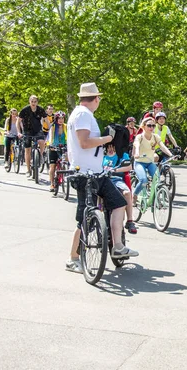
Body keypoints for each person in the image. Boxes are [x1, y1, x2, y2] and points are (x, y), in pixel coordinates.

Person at [65, 82, 137, 273]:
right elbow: (84, 142)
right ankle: (73, 258)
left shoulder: (84, 114)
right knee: (83, 217)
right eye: (99, 98)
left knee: (118, 202)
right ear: (96, 99)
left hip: (96, 172)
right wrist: (107, 139)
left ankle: (118, 246)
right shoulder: (82, 114)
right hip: (85, 174)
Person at [133, 117, 174, 198]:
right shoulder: (139, 137)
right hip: (139, 162)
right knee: (144, 181)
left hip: (150, 163)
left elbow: (162, 146)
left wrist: (170, 155)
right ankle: (134, 195)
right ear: (143, 126)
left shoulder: (155, 137)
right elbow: (136, 145)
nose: (151, 128)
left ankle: (155, 199)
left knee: (157, 180)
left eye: (153, 126)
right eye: (149, 125)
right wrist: (137, 153)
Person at [103, 142, 136, 234]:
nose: (111, 149)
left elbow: (129, 166)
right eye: (109, 147)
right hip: (104, 180)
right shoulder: (102, 156)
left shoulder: (122, 155)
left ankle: (130, 221)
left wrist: (114, 170)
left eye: (113, 147)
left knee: (127, 192)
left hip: (117, 180)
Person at [17, 95, 48, 178]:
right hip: (27, 130)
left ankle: (40, 156)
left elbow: (46, 119)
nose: (33, 103)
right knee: (27, 150)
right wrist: (19, 132)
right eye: (32, 101)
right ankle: (28, 169)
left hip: (37, 130)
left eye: (35, 102)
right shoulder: (24, 110)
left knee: (42, 141)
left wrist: (49, 128)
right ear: (29, 102)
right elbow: (18, 121)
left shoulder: (40, 109)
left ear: (37, 102)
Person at [47, 111, 67, 192]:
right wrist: (50, 145)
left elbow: (69, 137)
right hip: (53, 148)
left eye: (62, 118)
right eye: (59, 118)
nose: (61, 120)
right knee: (53, 166)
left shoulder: (66, 126)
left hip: (63, 147)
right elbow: (50, 137)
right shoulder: (53, 127)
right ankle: (52, 184)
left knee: (65, 162)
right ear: (56, 119)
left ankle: (65, 177)